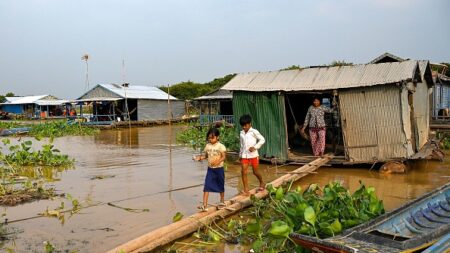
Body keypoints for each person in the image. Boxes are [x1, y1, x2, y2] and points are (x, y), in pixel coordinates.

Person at [193, 127, 227, 212]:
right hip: (210, 169)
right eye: (209, 138)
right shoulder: (207, 146)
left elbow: (224, 157)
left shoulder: (221, 146)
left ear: (217, 137)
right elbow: (206, 156)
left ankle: (222, 201)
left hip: (219, 169)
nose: (210, 140)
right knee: (207, 186)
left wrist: (217, 161)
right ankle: (204, 205)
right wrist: (200, 158)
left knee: (220, 185)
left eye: (212, 138)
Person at [239, 114, 265, 196]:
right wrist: (240, 155)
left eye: (245, 125)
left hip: (253, 155)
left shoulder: (254, 131)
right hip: (244, 155)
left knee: (255, 172)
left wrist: (255, 147)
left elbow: (262, 139)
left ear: (250, 124)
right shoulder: (241, 133)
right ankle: (246, 189)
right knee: (243, 171)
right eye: (242, 125)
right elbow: (242, 145)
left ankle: (262, 182)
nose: (244, 127)